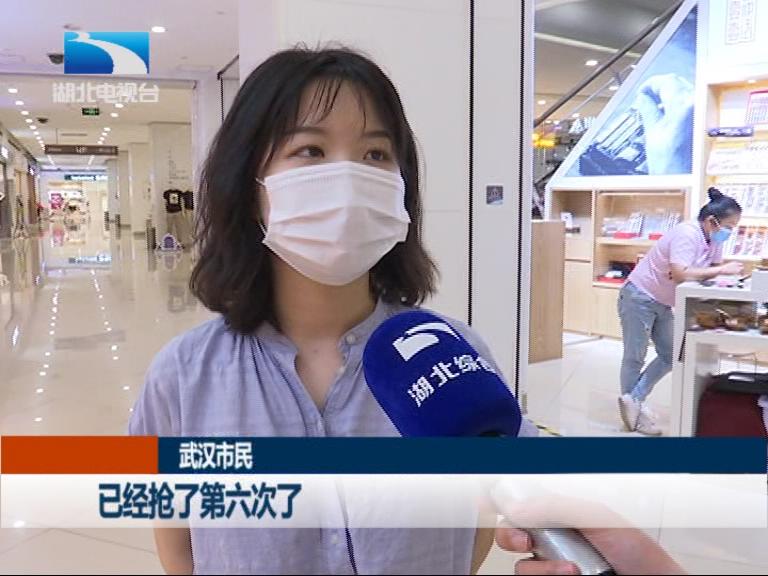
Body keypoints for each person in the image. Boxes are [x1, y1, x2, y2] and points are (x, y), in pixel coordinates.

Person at [129, 46, 679, 575]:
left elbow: (477, 524)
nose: (349, 178)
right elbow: (178, 545)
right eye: (311, 151)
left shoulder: (452, 356)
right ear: (249, 183)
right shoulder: (184, 376)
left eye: (375, 154)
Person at [618, 187, 743, 435]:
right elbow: (680, 273)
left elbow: (711, 270)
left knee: (673, 354)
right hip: (640, 296)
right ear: (712, 221)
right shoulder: (687, 234)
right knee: (635, 356)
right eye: (729, 226)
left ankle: (634, 400)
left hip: (664, 302)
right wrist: (719, 272)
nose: (730, 232)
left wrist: (723, 278)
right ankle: (634, 416)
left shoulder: (713, 239)